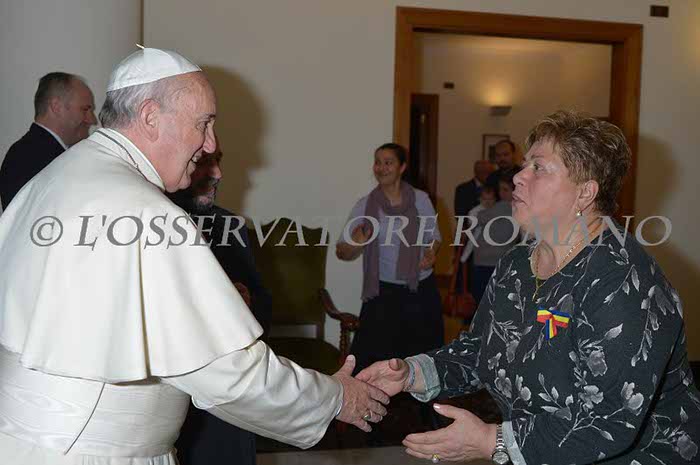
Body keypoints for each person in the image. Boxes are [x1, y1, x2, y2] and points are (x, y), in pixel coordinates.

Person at [0, 47, 389, 465]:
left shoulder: (55, 177)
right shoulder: (147, 211)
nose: (210, 144)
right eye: (203, 124)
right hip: (92, 451)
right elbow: (227, 373)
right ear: (150, 116)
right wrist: (334, 397)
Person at [358, 111, 700, 465]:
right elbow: (481, 349)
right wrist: (412, 373)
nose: (518, 176)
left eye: (539, 167)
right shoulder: (517, 263)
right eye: (524, 165)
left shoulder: (625, 280)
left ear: (585, 193)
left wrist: (492, 440)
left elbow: (608, 422)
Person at [170, 144, 272, 465]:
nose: (218, 174)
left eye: (219, 162)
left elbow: (263, 306)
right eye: (205, 163)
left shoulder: (232, 225)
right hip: (175, 392)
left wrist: (247, 302)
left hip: (231, 385)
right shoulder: (154, 223)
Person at [336, 142, 444, 373]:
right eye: (377, 162)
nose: (381, 168)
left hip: (420, 291)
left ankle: (423, 398)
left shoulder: (420, 199)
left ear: (402, 167)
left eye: (388, 162)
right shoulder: (365, 205)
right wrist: (357, 242)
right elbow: (342, 252)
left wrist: (430, 252)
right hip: (381, 294)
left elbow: (434, 237)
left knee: (423, 364)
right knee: (370, 365)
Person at [0, 72, 96, 209]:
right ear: (56, 107)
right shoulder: (32, 158)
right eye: (85, 109)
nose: (92, 120)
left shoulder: (29, 152)